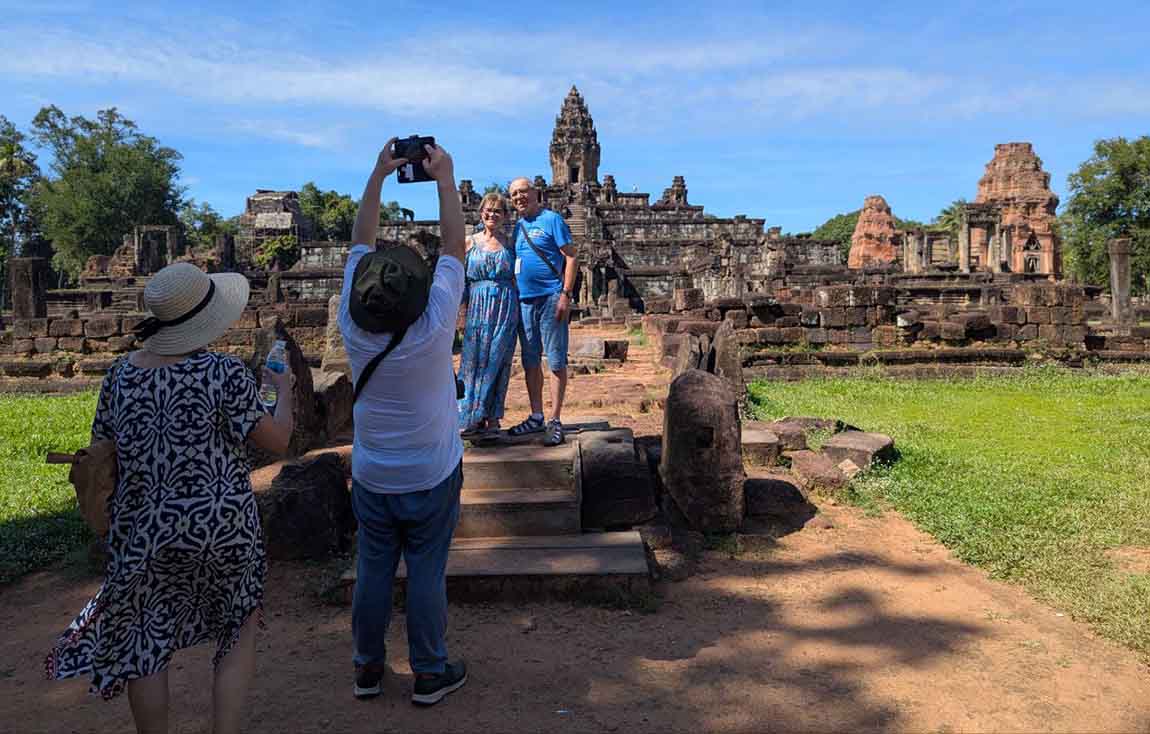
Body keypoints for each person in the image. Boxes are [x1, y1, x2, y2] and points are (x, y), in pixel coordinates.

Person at [44, 262, 295, 734]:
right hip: (223, 526)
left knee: (145, 641)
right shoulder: (224, 372)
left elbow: (104, 450)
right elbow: (277, 440)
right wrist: (284, 392)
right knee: (237, 629)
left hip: (144, 529)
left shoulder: (119, 376)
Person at [337, 138, 468, 706]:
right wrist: (445, 178)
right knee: (426, 571)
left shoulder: (351, 321)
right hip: (433, 472)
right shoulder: (436, 322)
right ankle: (430, 671)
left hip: (371, 475)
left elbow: (359, 242)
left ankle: (367, 669)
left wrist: (376, 177)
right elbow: (455, 249)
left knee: (372, 569)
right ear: (418, 289)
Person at [506, 176, 578, 446]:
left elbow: (571, 256)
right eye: (514, 194)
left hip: (550, 298)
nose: (519, 198)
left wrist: (565, 294)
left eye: (523, 192)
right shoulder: (517, 227)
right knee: (530, 360)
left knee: (556, 359)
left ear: (536, 193)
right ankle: (536, 415)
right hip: (524, 301)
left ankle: (555, 419)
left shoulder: (552, 220)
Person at [457, 192, 518, 436]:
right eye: (488, 210)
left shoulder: (510, 243)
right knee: (473, 362)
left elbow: (518, 277)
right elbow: (458, 279)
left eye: (498, 211)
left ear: (505, 216)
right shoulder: (469, 242)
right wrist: (460, 312)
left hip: (506, 307)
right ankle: (471, 415)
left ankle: (492, 415)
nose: (492, 215)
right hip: (477, 307)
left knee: (498, 361)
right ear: (481, 213)